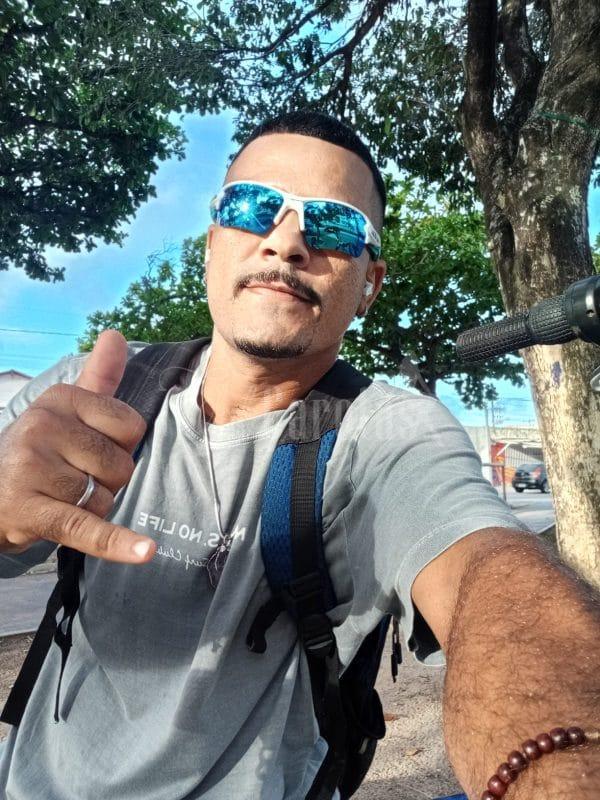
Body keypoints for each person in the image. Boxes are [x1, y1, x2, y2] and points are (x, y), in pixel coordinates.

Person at [0, 111, 598, 800]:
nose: (286, 242)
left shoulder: (389, 434)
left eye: (334, 225)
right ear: (212, 245)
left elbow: (490, 582)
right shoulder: (86, 394)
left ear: (369, 285)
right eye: (252, 207)